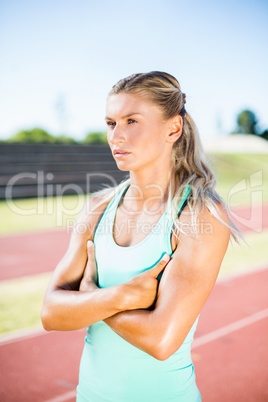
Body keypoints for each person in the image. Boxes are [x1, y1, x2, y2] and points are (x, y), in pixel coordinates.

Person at [41, 71, 242, 401]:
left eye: (131, 121)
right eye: (110, 123)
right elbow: (51, 313)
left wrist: (89, 298)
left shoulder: (197, 214)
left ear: (172, 128)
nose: (116, 136)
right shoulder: (97, 208)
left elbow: (161, 339)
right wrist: (122, 296)